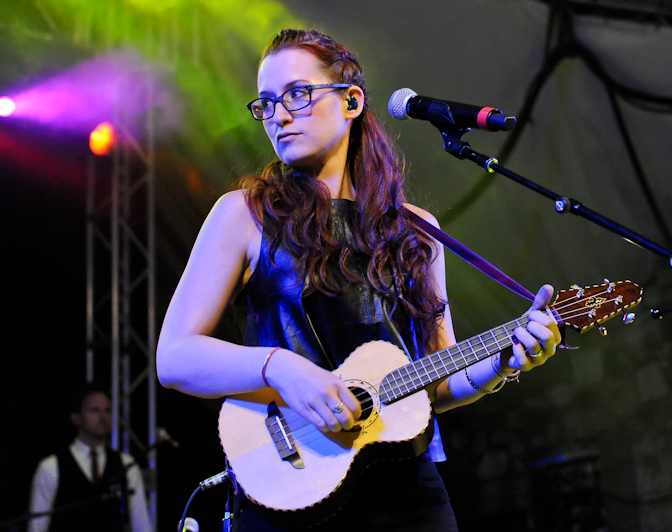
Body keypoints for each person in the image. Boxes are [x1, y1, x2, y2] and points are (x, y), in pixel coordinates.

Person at [156, 28, 561, 531]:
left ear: (351, 102)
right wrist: (278, 367)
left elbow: (438, 379)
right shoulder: (244, 214)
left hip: (406, 491)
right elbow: (174, 357)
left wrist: (504, 360)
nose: (279, 115)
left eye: (297, 94)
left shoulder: (417, 231)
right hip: (291, 488)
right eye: (266, 103)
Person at [27, 386, 153, 532]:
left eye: (107, 410)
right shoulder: (51, 467)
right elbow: (37, 526)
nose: (103, 417)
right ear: (76, 417)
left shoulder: (126, 464)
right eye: (95, 410)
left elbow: (142, 523)